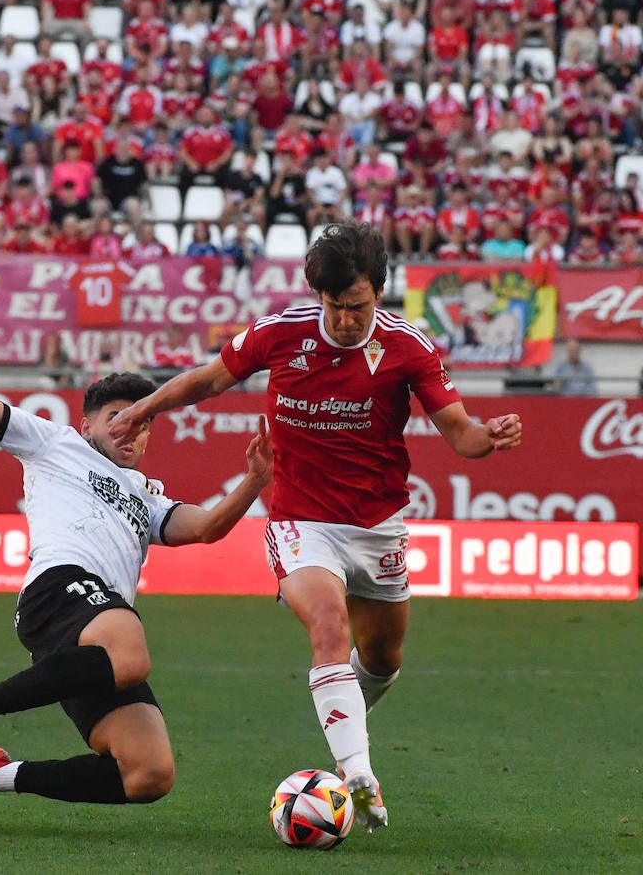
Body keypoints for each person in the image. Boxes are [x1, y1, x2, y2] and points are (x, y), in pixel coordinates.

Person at [106, 221, 524, 833]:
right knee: (329, 627)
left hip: (379, 524)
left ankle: (343, 722)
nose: (347, 319)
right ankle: (358, 773)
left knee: (381, 657)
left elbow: (460, 433)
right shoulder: (281, 334)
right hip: (302, 518)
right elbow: (208, 379)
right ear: (316, 293)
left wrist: (489, 437)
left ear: (378, 293)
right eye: (335, 305)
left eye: (358, 306)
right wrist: (145, 405)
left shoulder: (409, 347)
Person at [0, 251, 273, 818]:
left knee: (148, 774)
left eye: (143, 422)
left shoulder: (147, 495)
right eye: (119, 418)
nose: (132, 431)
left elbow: (207, 529)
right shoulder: (52, 444)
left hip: (93, 638)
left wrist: (254, 481)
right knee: (132, 652)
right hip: (60, 590)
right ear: (85, 422)